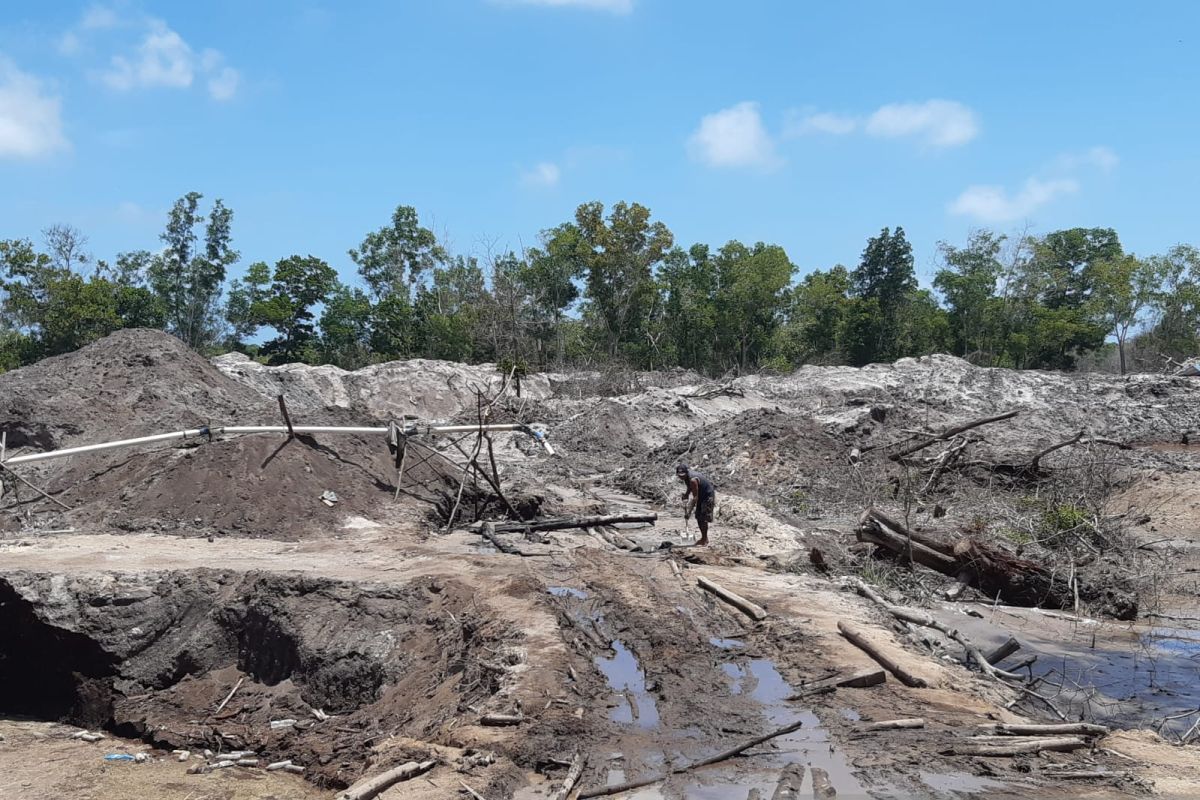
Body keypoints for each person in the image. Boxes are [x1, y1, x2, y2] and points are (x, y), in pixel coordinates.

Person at [676, 462, 716, 546]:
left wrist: (689, 511)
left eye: (683, 475)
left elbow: (695, 498)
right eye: (680, 475)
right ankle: (704, 538)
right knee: (698, 516)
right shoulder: (687, 478)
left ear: (687, 472)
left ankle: (704, 540)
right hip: (700, 495)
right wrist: (686, 494)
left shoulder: (693, 479)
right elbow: (689, 487)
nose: (681, 477)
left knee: (703, 517)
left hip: (707, 495)